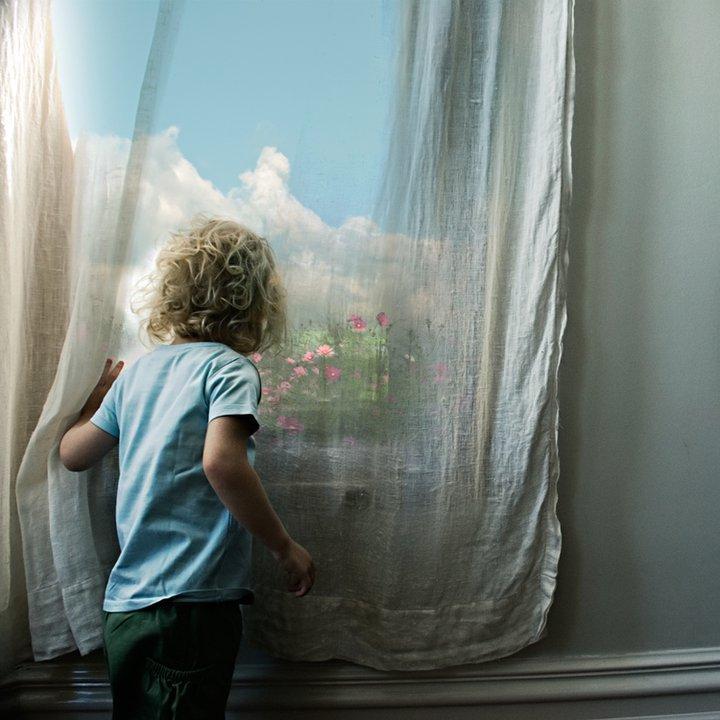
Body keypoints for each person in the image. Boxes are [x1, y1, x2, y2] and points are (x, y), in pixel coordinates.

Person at [59, 215, 316, 719]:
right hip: (192, 606)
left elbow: (73, 454)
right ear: (256, 305)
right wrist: (284, 547)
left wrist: (93, 406)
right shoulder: (229, 368)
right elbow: (222, 462)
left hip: (126, 609)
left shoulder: (138, 374)